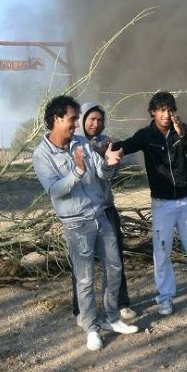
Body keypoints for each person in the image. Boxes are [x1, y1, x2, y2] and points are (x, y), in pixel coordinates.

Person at [33, 95, 138, 351]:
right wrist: (77, 170)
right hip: (76, 224)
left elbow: (100, 172)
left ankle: (111, 317)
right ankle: (91, 328)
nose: (75, 124)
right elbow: (56, 190)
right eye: (71, 119)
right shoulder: (41, 154)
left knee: (114, 267)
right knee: (85, 279)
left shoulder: (81, 142)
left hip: (99, 215)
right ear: (56, 119)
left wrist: (110, 164)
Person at [114, 91, 187, 316]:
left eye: (170, 110)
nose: (166, 114)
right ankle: (165, 297)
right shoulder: (146, 135)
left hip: (186, 201)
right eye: (161, 110)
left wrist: (183, 135)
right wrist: (103, 147)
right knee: (161, 251)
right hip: (162, 204)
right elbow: (125, 146)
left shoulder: (181, 130)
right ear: (153, 112)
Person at [69, 102, 137, 321]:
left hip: (106, 209)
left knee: (115, 259)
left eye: (99, 120)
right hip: (81, 213)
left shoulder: (106, 143)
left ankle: (121, 303)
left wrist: (111, 161)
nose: (96, 124)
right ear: (82, 121)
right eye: (91, 119)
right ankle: (80, 308)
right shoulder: (72, 144)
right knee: (81, 264)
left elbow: (109, 174)